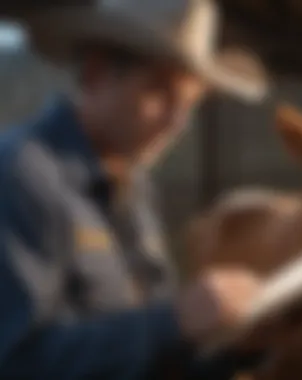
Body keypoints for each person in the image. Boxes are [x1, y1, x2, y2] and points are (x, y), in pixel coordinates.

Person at [0, 1, 273, 379]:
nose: (178, 122)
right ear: (95, 74)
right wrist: (174, 321)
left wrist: (240, 345)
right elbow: (16, 361)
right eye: (160, 92)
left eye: (190, 104)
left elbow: (152, 358)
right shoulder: (20, 176)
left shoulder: (134, 186)